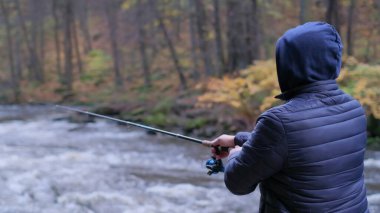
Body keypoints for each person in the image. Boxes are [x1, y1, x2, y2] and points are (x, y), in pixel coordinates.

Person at [203, 22, 369, 212]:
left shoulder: (279, 122)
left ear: (287, 65)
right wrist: (237, 139)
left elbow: (238, 183)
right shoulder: (353, 109)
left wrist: (235, 155)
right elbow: (301, 149)